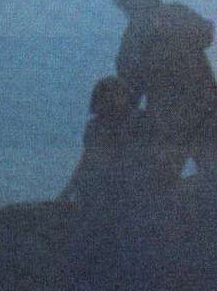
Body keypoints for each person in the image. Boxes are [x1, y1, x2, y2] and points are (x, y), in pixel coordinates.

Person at [113, 0, 217, 182]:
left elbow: (204, 35)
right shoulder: (143, 28)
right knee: (181, 173)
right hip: (186, 112)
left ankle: (212, 209)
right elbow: (129, 76)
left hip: (183, 113)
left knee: (178, 174)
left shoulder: (169, 17)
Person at [58, 75, 161, 207]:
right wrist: (67, 192)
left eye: (117, 94)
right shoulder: (95, 127)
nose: (113, 99)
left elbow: (150, 158)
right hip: (98, 194)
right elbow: (87, 161)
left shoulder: (140, 122)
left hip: (132, 194)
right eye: (108, 95)